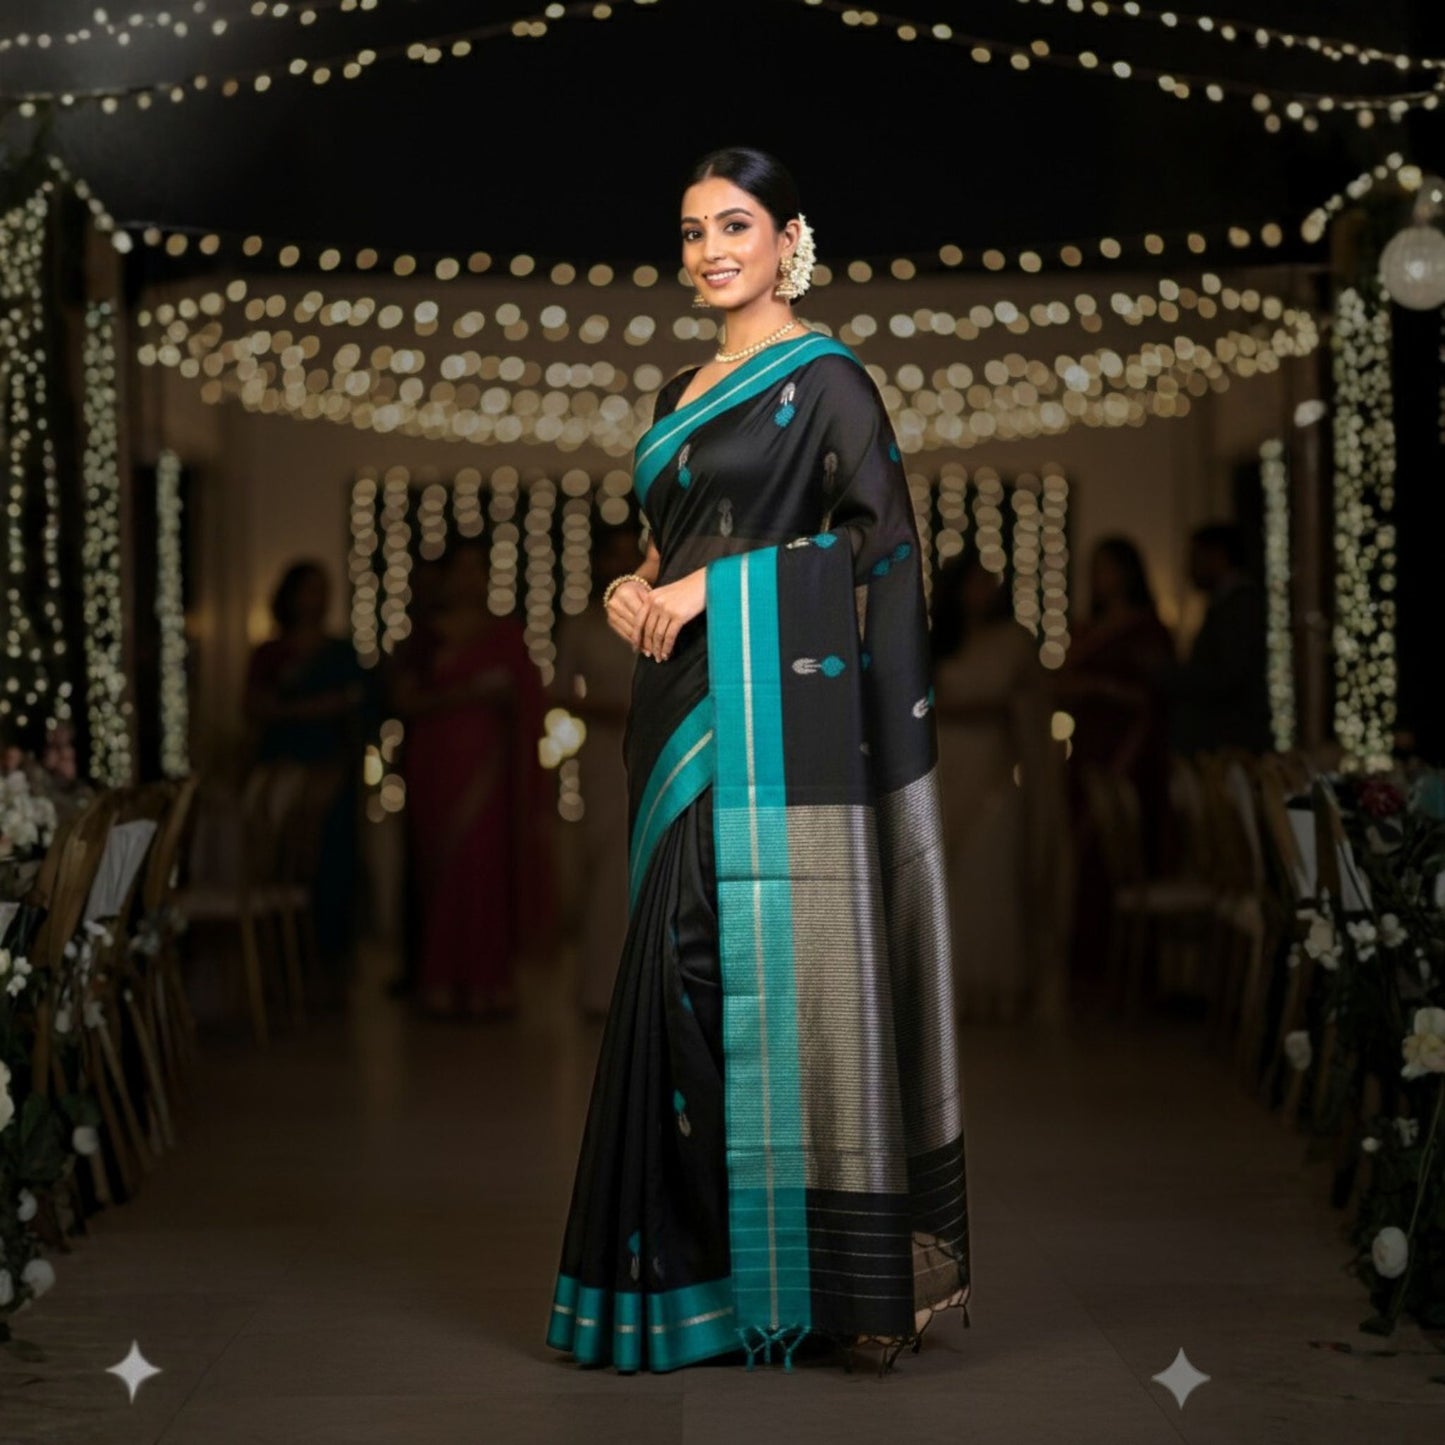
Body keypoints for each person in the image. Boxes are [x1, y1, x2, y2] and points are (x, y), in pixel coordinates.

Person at [546, 147, 970, 1376]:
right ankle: (709, 1284)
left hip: (773, 718)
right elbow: (657, 542)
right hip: (672, 709)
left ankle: (810, 1278)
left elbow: (874, 559)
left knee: (722, 965)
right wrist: (631, 585)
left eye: (734, 225)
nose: (709, 249)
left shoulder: (829, 382)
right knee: (681, 972)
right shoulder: (682, 381)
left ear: (791, 237)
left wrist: (708, 584)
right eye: (689, 231)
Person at [391, 541, 551, 1019]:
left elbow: (531, 702)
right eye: (458, 570)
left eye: (475, 569)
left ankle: (487, 981)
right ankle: (440, 980)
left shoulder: (506, 634)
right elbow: (404, 702)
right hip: (435, 763)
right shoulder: (423, 638)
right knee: (440, 867)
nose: (468, 580)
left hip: (492, 767)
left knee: (484, 867)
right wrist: (467, 694)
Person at [931, 554, 1072, 1026]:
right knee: (944, 874)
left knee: (985, 872)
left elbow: (1029, 704)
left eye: (989, 584)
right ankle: (941, 989)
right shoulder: (936, 640)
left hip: (993, 769)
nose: (984, 593)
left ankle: (988, 990)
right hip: (944, 763)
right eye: (975, 584)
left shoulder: (1013, 642)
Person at [243, 560, 374, 1003]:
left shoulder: (340, 654)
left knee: (332, 873)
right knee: (280, 867)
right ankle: (282, 973)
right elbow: (255, 707)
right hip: (282, 777)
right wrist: (314, 708)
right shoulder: (270, 653)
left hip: (333, 778)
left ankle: (331, 974)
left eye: (323, 590)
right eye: (308, 590)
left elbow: (357, 709)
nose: (315, 600)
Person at [550, 524, 645, 1018]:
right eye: (616, 557)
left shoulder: (663, 613)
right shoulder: (583, 625)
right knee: (607, 866)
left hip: (653, 750)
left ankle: (650, 989)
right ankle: (601, 988)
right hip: (605, 757)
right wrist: (611, 710)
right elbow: (561, 691)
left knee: (648, 861)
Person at [382, 555, 449, 1000]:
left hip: (455, 760)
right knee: (421, 865)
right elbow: (401, 700)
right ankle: (421, 967)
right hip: (425, 762)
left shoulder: (444, 638)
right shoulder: (415, 643)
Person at [1163, 522, 1272, 756]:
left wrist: (1171, 675)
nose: (1189, 568)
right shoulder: (1228, 606)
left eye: (1196, 557)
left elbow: (1227, 675)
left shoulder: (1240, 607)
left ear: (1218, 557)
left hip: (1231, 741)